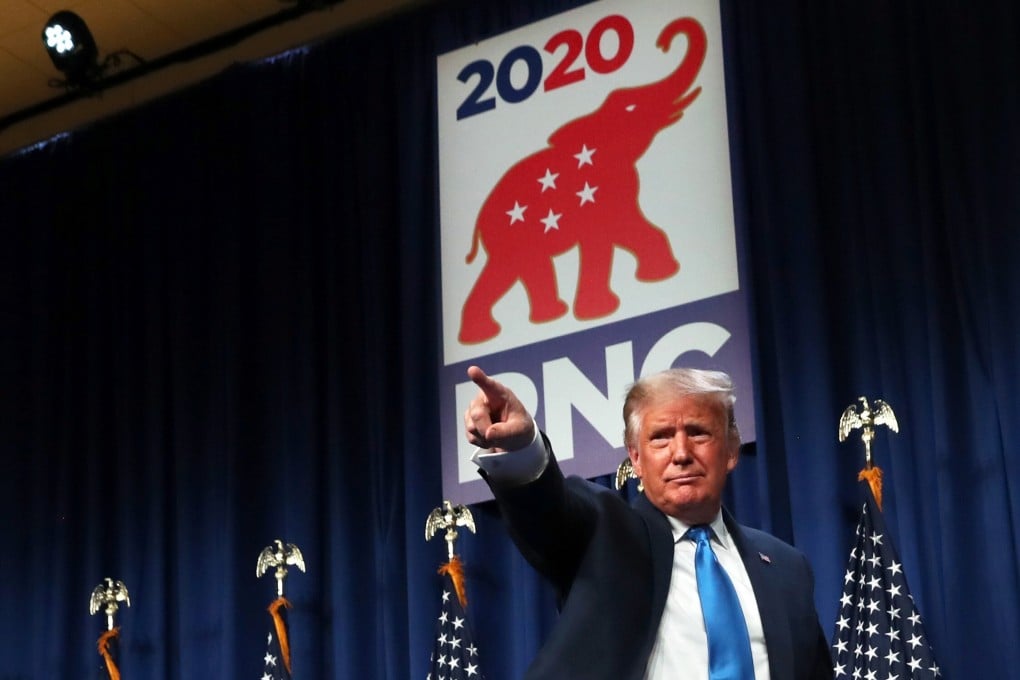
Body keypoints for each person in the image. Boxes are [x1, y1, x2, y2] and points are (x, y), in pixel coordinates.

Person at [463, 365, 833, 680]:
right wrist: (523, 447)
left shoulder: (786, 567)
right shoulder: (605, 533)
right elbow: (550, 510)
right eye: (661, 438)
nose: (682, 454)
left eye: (698, 432)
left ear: (732, 449)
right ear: (636, 459)